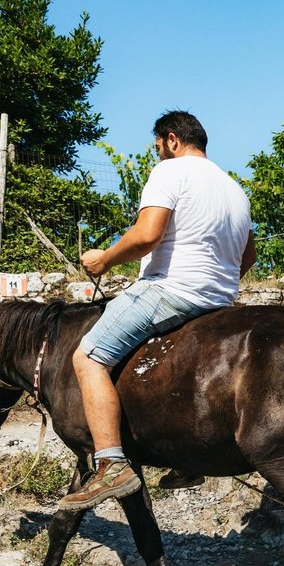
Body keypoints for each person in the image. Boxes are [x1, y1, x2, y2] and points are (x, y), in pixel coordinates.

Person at [61, 111, 256, 511]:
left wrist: (104, 260)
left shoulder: (170, 172)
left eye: (157, 148)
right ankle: (186, 457)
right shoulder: (234, 189)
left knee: (89, 357)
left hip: (171, 290)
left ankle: (111, 464)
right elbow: (247, 255)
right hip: (219, 299)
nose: (157, 155)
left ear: (171, 140)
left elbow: (147, 235)